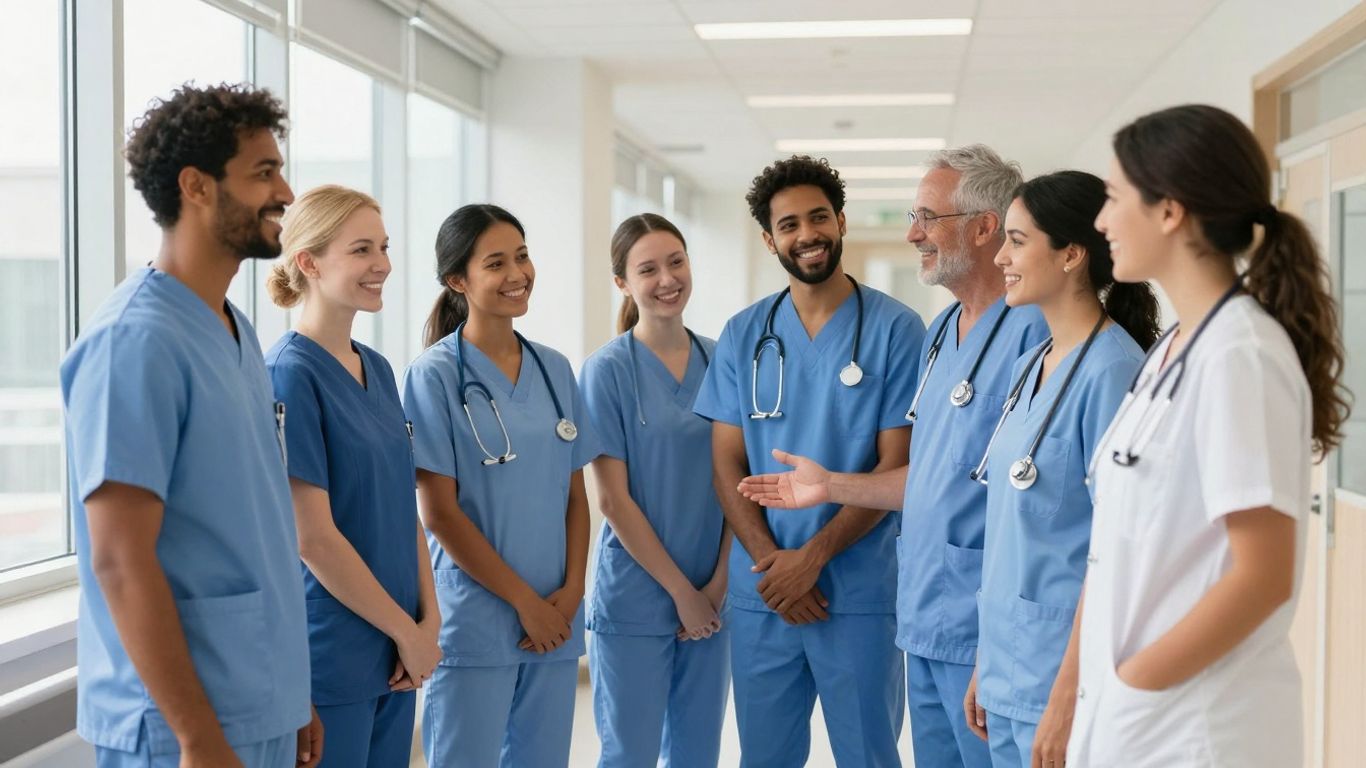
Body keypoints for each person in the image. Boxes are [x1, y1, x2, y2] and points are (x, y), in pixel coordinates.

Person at [738, 145, 1049, 767]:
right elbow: (927, 477)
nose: (913, 234)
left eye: (927, 218)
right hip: (928, 614)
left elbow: (1039, 503)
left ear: (984, 228)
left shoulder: (1037, 334)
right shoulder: (941, 334)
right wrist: (831, 485)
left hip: (988, 622)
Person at [1065, 104, 1350, 766]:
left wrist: (1138, 684)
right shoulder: (1175, 347)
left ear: (1170, 211)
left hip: (1196, 728)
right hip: (1139, 719)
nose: (1101, 220)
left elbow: (1262, 576)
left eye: (1114, 198)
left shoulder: (1240, 354)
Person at [60, 83, 321, 767]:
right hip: (180, 727)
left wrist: (291, 693)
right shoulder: (134, 343)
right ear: (196, 186)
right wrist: (196, 733)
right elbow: (119, 559)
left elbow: (253, 529)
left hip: (256, 698)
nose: (286, 192)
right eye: (263, 172)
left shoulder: (234, 330)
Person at [694, 155, 926, 767]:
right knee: (764, 758)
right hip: (766, 591)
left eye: (819, 217)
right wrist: (776, 567)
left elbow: (894, 469)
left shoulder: (897, 330)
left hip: (857, 590)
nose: (808, 234)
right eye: (789, 224)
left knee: (868, 755)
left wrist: (813, 558)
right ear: (770, 240)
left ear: (841, 222)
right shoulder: (744, 334)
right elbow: (725, 462)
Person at [957, 171, 1159, 767]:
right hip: (1010, 668)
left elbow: (1118, 550)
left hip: (1064, 682)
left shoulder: (1114, 372)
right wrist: (987, 661)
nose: (1001, 257)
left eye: (1017, 241)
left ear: (1072, 254)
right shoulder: (1032, 364)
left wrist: (1069, 696)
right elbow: (1011, 532)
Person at [402, 204, 601, 768]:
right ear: (457, 281)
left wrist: (572, 591)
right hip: (478, 621)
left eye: (522, 256)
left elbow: (575, 497)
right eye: (496, 263)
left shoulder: (554, 369)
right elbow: (439, 513)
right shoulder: (434, 375)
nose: (518, 274)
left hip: (555, 617)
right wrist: (524, 603)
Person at [264, 185, 441, 767]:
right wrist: (407, 632)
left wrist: (429, 620)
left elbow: (402, 508)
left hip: (398, 651)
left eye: (384, 247)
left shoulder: (380, 369)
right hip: (335, 655)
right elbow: (312, 539)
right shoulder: (289, 375)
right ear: (309, 263)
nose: (382, 264)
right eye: (362, 249)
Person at [580, 213, 732, 767]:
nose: (667, 279)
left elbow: (740, 481)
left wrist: (719, 582)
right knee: (631, 755)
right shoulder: (606, 371)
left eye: (676, 262)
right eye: (648, 270)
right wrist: (682, 594)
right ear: (622, 282)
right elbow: (612, 500)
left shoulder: (722, 361)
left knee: (697, 754)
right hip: (636, 597)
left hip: (714, 592)